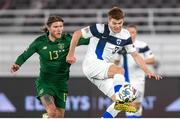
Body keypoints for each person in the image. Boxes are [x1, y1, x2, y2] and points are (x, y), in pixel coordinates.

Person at [66, 7, 161, 118]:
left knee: (129, 100)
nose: (117, 26)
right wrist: (71, 54)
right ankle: (120, 99)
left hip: (101, 72)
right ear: (109, 20)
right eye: (114, 23)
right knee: (119, 70)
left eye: (120, 23)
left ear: (123, 21)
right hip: (92, 64)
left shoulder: (126, 35)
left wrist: (147, 71)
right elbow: (77, 33)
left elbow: (135, 55)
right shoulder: (99, 28)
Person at [10, 15, 89, 118]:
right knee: (52, 112)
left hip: (61, 85)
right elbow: (26, 54)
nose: (59, 29)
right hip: (45, 83)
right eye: (55, 27)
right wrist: (17, 64)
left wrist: (103, 36)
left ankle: (45, 117)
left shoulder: (68, 40)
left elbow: (88, 40)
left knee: (59, 116)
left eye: (61, 26)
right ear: (48, 28)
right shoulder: (40, 42)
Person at [113, 24, 156, 118]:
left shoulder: (142, 45)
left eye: (133, 32)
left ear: (136, 33)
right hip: (127, 80)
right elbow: (115, 62)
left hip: (140, 80)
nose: (131, 34)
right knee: (130, 107)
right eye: (129, 32)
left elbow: (152, 60)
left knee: (137, 107)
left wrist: (140, 61)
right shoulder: (121, 45)